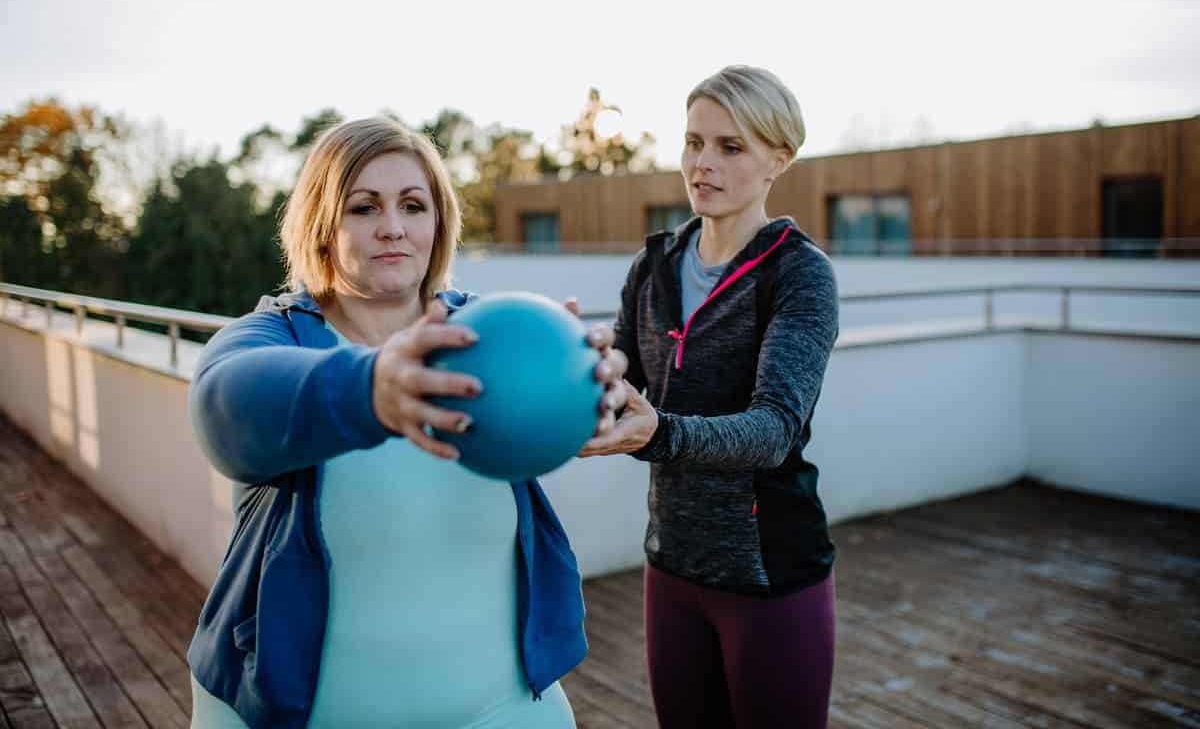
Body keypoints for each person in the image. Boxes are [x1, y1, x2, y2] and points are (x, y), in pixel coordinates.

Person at [186, 117, 628, 728]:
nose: (392, 227)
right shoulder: (273, 335)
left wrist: (593, 390)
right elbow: (224, 409)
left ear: (437, 222)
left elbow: (581, 392)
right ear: (323, 226)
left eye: (412, 205)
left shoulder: (487, 331)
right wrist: (371, 389)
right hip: (294, 713)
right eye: (363, 208)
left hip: (499, 708)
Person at [579, 65, 840, 728]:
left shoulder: (799, 274)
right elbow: (626, 370)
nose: (703, 164)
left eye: (730, 147)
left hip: (769, 574)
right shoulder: (655, 262)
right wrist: (575, 363)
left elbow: (774, 428)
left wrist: (659, 432)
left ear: (778, 159)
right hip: (670, 563)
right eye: (694, 142)